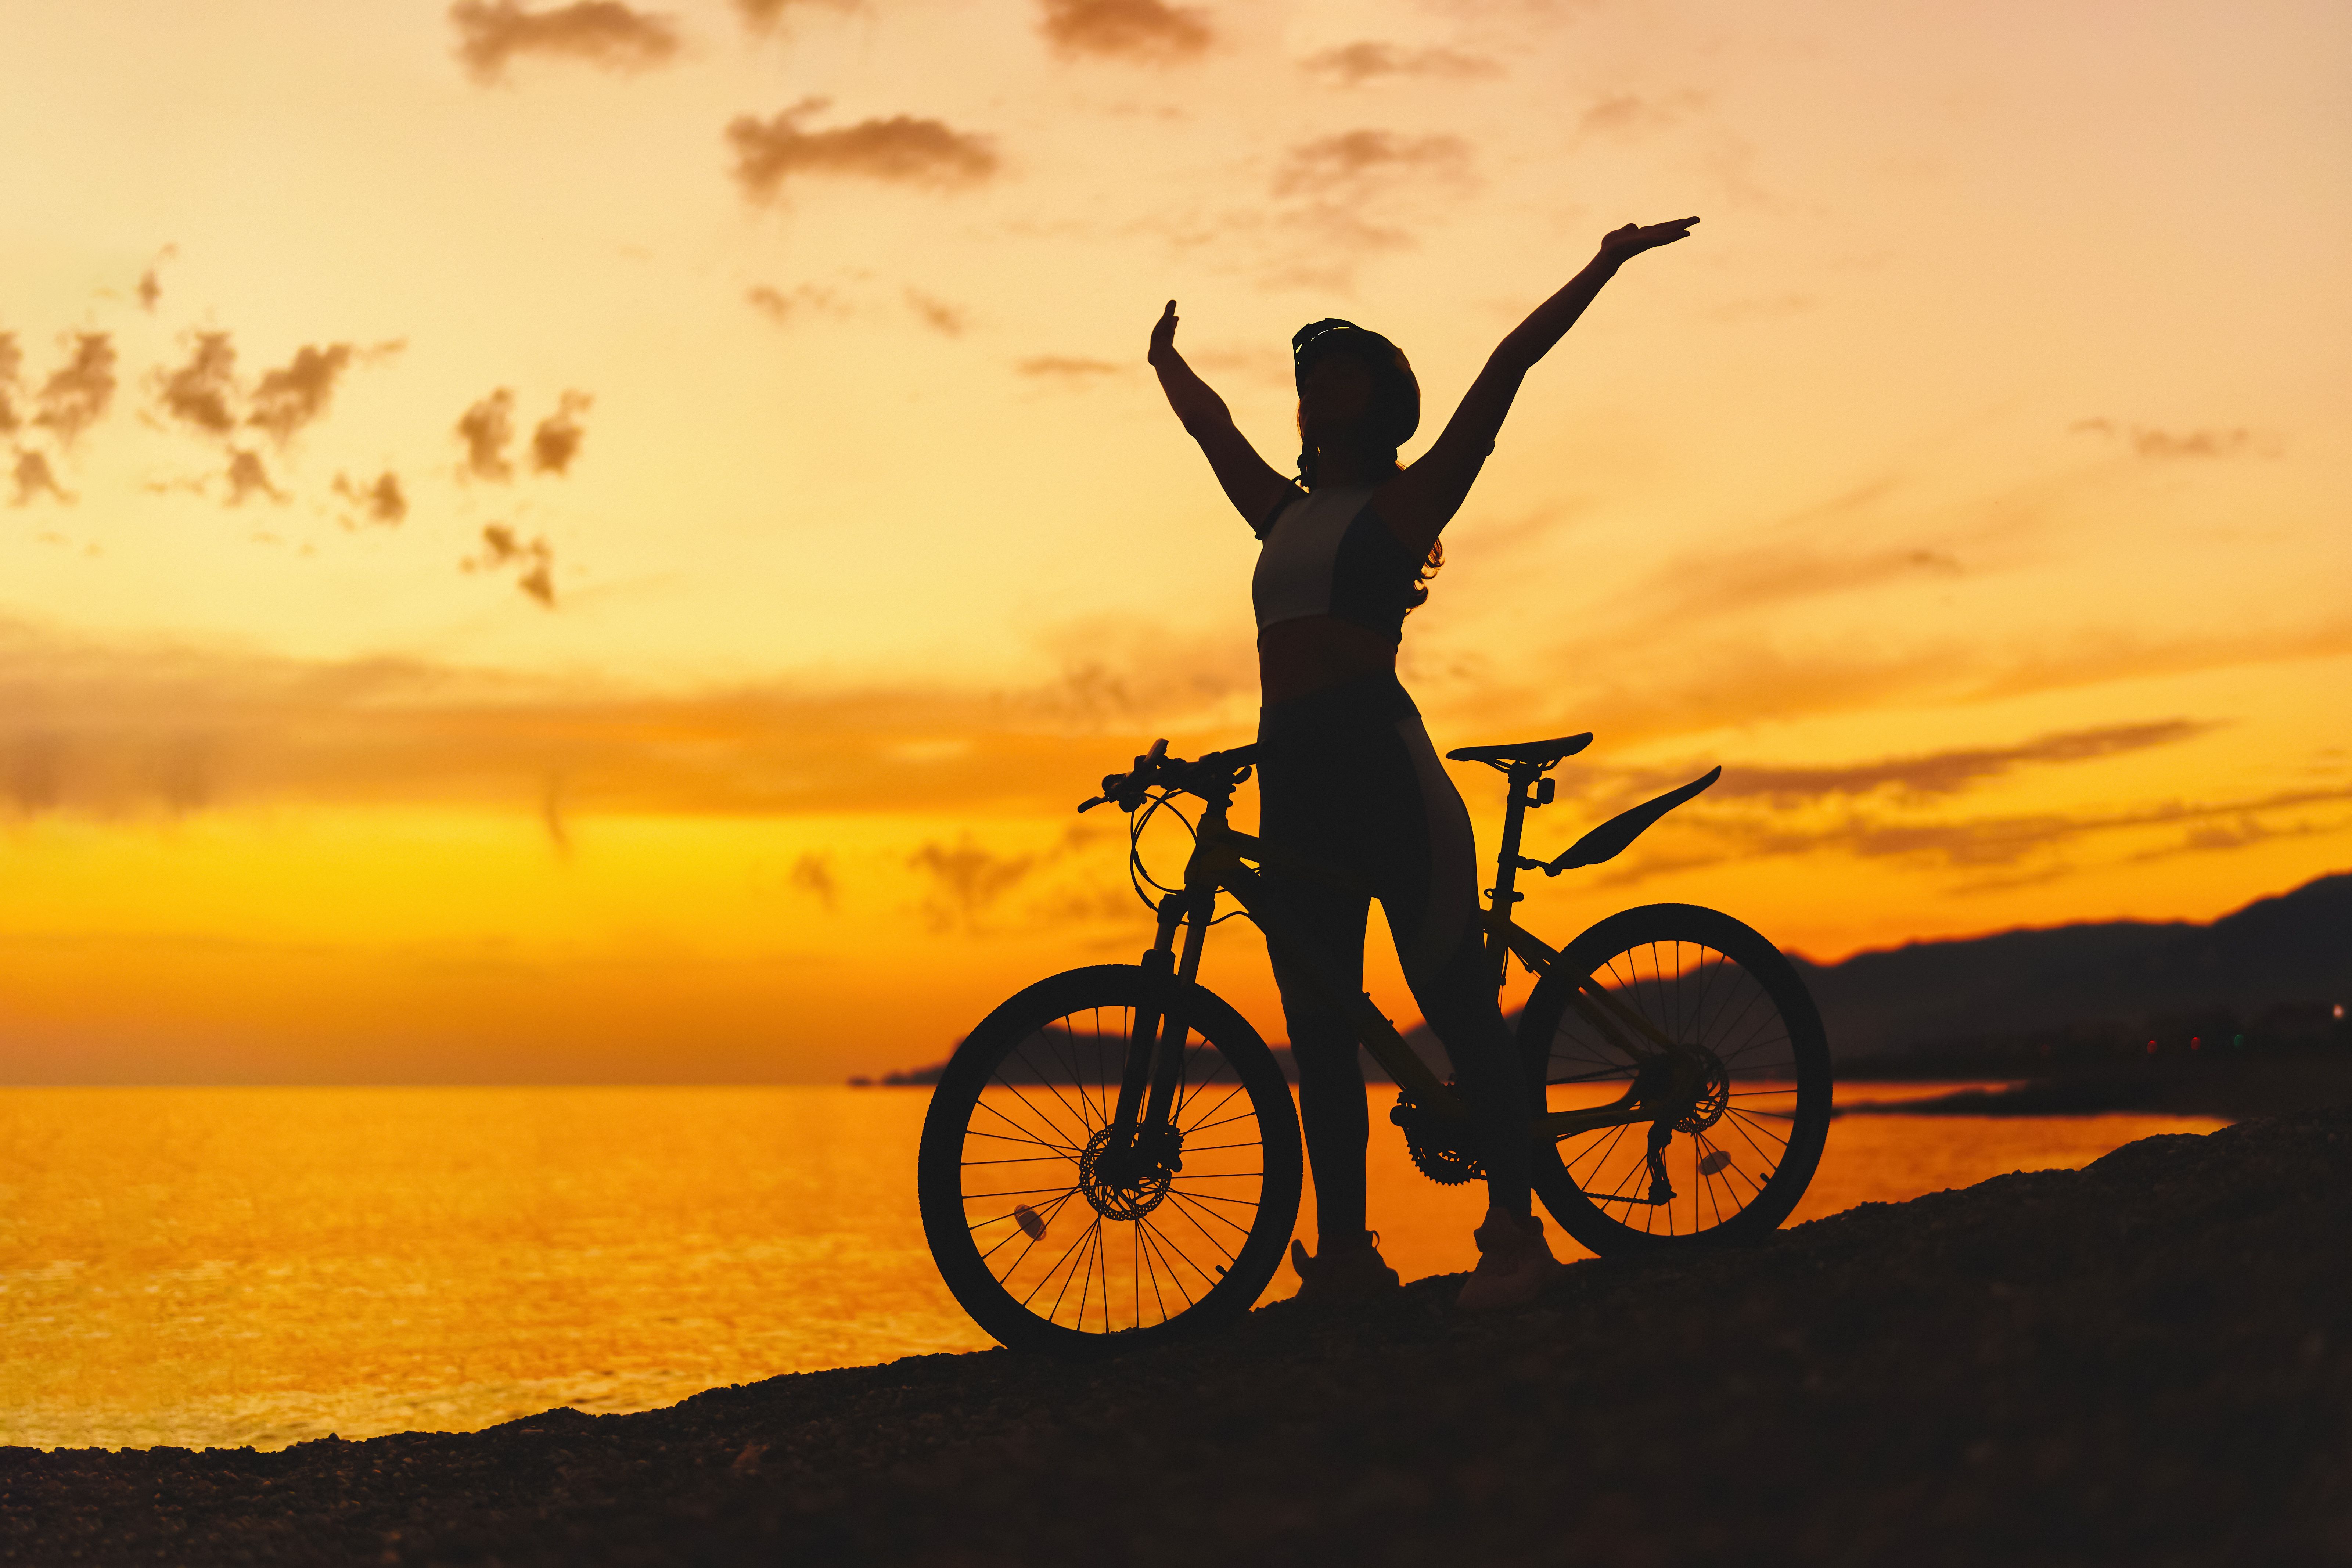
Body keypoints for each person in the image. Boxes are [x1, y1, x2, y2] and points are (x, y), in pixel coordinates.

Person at [1146, 217, 1699, 1312]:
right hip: (1290, 768)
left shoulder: (1410, 501)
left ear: (1383, 398)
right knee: (1320, 1025)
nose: (1324, 388)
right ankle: (1345, 1255)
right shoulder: (1281, 514)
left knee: (1453, 1001)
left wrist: (1600, 262)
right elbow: (1212, 433)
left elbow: (1508, 366)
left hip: (1379, 763)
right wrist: (1167, 366)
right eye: (1313, 378)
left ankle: (1514, 1235)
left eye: (1346, 372)